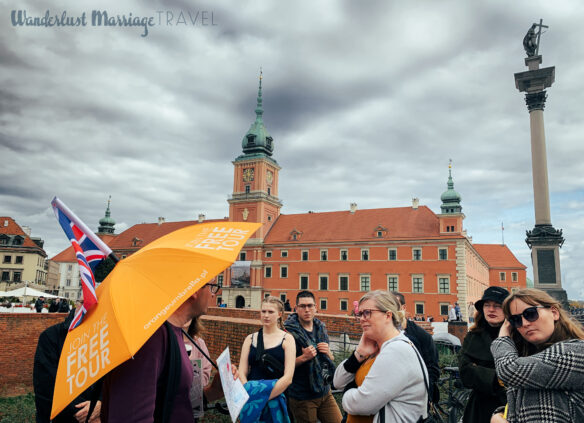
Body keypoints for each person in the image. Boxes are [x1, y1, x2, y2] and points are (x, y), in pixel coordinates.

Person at [101, 281, 223, 423]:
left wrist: (213, 392)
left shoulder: (171, 332)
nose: (213, 294)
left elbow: (176, 403)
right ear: (194, 290)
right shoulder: (152, 337)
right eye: (212, 287)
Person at [490, 288, 584, 423]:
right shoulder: (530, 357)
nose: (525, 323)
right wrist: (499, 415)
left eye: (530, 313)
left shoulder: (577, 351)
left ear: (554, 313)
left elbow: (509, 370)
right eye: (516, 320)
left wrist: (503, 335)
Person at [333, 290, 428, 422]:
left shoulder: (396, 350)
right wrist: (358, 355)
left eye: (367, 313)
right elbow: (337, 382)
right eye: (359, 314)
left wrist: (348, 392)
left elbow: (362, 404)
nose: (361, 318)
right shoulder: (375, 347)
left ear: (388, 315)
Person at [284, 291, 341, 423]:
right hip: (302, 396)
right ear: (296, 308)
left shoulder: (321, 328)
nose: (307, 310)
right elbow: (284, 366)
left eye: (310, 306)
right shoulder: (288, 332)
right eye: (302, 306)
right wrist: (304, 357)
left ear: (316, 307)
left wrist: (329, 353)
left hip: (325, 391)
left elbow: (329, 360)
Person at [34, 310, 101, 423]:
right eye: (83, 302)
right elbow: (47, 385)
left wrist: (101, 402)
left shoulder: (105, 334)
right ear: (78, 304)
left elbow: (114, 378)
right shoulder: (51, 336)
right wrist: (86, 413)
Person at [239, 296, 296, 422]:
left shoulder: (288, 339)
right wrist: (251, 393)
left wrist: (262, 397)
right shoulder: (250, 339)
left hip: (276, 396)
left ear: (280, 314)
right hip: (251, 397)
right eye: (263, 311)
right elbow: (242, 372)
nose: (266, 315)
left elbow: (288, 378)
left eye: (271, 312)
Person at [459, 287, 509, 423]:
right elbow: (465, 372)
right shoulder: (473, 336)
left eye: (497, 306)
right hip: (478, 409)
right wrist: (498, 378)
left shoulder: (518, 336)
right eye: (487, 305)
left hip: (509, 406)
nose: (491, 309)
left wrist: (479, 370)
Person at [393, 291, 440, 405]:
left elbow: (433, 369)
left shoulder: (421, 335)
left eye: (394, 305)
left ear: (403, 307)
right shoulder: (380, 334)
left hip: (413, 400)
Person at [183, 317, 213, 422]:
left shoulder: (199, 343)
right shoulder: (168, 342)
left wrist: (191, 367)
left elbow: (205, 375)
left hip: (193, 403)